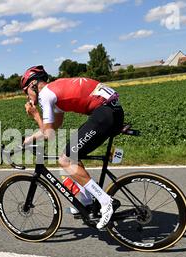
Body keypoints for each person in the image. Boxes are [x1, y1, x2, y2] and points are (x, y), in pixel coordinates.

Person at [21, 66, 124, 230]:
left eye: (26, 92)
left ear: (33, 84)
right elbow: (55, 126)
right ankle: (86, 202)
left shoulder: (46, 94)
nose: (27, 97)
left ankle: (105, 201)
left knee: (65, 159)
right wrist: (29, 139)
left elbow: (48, 134)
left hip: (104, 113)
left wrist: (35, 115)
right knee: (72, 154)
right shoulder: (55, 89)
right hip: (112, 111)